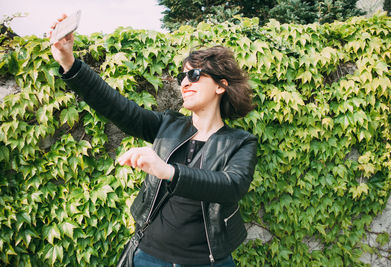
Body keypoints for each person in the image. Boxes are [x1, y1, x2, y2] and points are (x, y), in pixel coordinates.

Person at [50, 15, 257, 267]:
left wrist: (168, 171)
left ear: (220, 86)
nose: (184, 83)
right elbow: (117, 107)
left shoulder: (240, 142)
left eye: (193, 74)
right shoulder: (167, 126)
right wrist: (69, 62)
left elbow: (231, 186)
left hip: (208, 261)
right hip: (149, 257)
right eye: (182, 77)